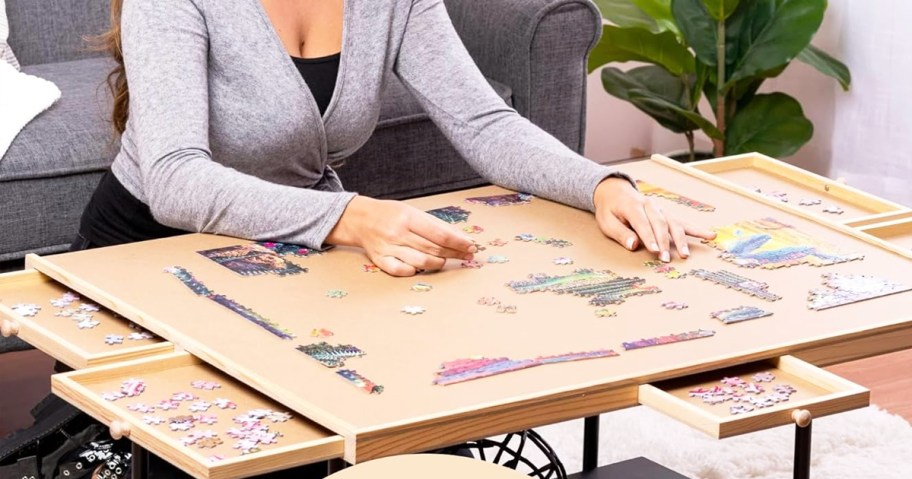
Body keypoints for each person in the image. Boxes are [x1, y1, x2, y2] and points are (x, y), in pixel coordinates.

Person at [61, 0, 716, 477]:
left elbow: (484, 121)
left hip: (291, 259)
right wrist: (351, 219)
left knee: (404, 441)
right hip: (149, 259)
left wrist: (603, 186)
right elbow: (175, 181)